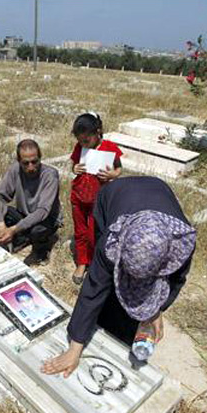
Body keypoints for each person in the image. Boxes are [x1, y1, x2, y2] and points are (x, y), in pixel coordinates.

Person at [41, 176, 197, 378]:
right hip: (113, 195)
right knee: (105, 287)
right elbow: (93, 288)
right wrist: (75, 347)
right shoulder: (111, 243)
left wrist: (157, 309)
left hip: (157, 189)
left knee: (134, 315)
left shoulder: (181, 243)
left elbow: (176, 281)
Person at [70, 113, 123, 285]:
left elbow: (119, 169)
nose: (83, 143)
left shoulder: (109, 147)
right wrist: (75, 168)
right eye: (80, 140)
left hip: (98, 199)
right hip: (79, 196)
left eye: (86, 140)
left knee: (95, 233)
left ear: (98, 132)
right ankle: (81, 262)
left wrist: (112, 174)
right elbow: (74, 165)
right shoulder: (80, 147)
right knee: (80, 231)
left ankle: (94, 263)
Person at [0, 139, 62, 266]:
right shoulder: (15, 170)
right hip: (25, 214)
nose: (31, 167)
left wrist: (14, 229)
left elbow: (43, 211)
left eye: (34, 162)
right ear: (19, 161)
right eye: (26, 163)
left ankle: (42, 251)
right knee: (1, 211)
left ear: (40, 158)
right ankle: (22, 237)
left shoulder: (50, 175)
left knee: (37, 231)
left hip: (46, 219)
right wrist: (0, 224)